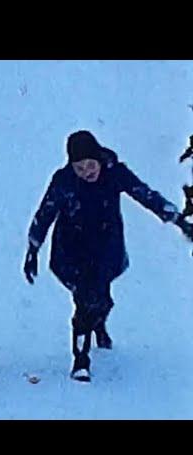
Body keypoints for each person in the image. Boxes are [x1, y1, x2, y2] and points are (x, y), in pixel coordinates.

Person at [24, 130, 193, 382]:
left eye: (90, 165)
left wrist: (178, 220)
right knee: (83, 302)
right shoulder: (64, 181)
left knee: (100, 300)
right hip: (72, 251)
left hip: (105, 248)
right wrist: (33, 249)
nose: (86, 172)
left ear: (98, 159)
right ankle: (80, 360)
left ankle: (99, 322)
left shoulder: (115, 173)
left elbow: (145, 195)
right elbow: (45, 213)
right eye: (79, 168)